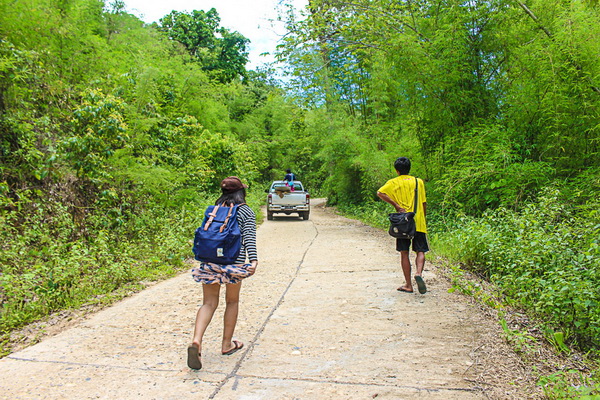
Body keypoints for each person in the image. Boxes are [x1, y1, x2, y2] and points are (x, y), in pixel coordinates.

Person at [187, 176, 259, 370]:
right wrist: (253, 260)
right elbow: (249, 238)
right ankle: (226, 345)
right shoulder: (245, 211)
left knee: (209, 303)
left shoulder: (214, 209)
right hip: (233, 262)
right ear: (241, 192)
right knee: (232, 301)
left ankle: (196, 341)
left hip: (209, 260)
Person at [377, 157, 428, 294]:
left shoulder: (393, 182)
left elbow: (380, 192)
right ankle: (418, 273)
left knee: (404, 252)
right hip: (419, 221)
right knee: (420, 250)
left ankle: (408, 285)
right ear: (409, 168)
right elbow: (423, 203)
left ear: (397, 170)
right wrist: (423, 218)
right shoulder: (419, 182)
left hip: (403, 222)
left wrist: (397, 206)